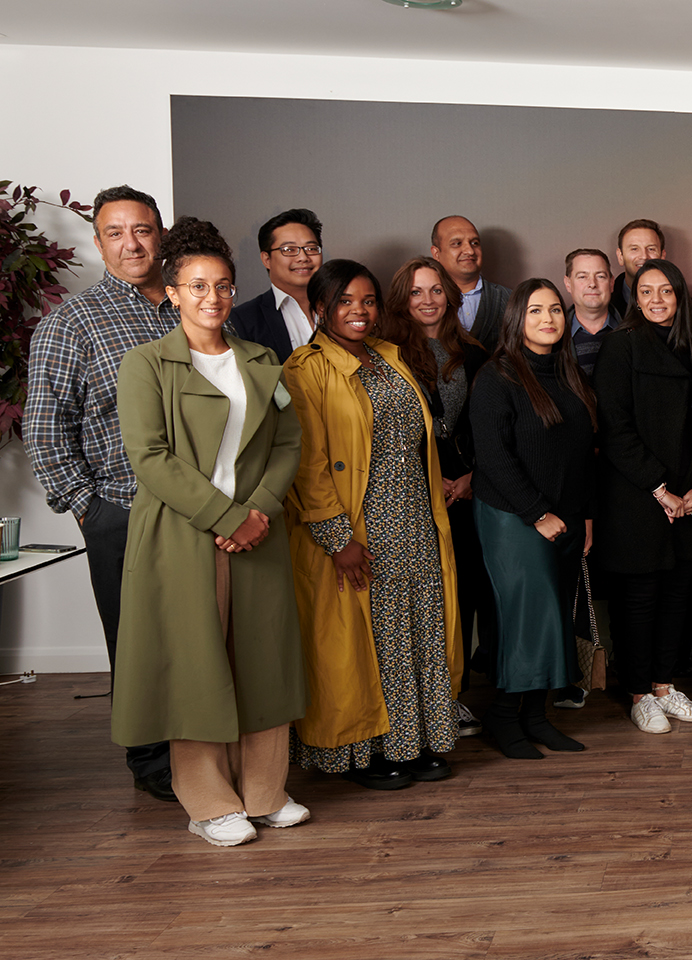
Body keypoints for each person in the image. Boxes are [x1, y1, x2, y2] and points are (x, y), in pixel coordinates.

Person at [112, 218, 306, 846]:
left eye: (222, 286)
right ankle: (206, 803)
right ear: (172, 292)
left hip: (258, 528)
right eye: (197, 287)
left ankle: (265, 791)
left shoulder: (260, 360)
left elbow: (287, 442)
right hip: (180, 535)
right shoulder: (147, 364)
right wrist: (227, 517)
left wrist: (259, 511)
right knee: (192, 666)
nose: (213, 298)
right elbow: (150, 456)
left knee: (263, 663)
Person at [283, 259, 464, 787]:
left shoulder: (390, 356)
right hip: (357, 529)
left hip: (414, 519)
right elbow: (307, 463)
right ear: (319, 308)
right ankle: (365, 755)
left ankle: (415, 742)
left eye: (367, 301)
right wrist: (337, 538)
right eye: (344, 302)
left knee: (417, 634)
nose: (359, 312)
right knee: (366, 644)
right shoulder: (304, 369)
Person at [24, 184, 177, 801]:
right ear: (98, 243)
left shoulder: (190, 304)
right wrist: (89, 510)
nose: (131, 243)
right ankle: (152, 761)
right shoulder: (73, 320)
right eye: (115, 233)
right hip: (124, 508)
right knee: (137, 640)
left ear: (160, 234)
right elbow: (44, 426)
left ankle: (204, 750)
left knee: (197, 636)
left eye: (141, 229)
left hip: (202, 508)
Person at [468, 279, 598, 759]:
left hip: (563, 518)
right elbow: (494, 458)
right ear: (516, 319)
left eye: (554, 311)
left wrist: (581, 516)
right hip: (513, 517)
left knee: (554, 616)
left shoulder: (570, 376)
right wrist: (536, 512)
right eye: (536, 311)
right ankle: (503, 718)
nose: (548, 319)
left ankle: (536, 717)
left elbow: (582, 456)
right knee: (527, 619)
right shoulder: (496, 377)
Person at [593, 258, 692, 735]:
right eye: (646, 292)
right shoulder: (620, 347)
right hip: (637, 494)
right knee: (640, 597)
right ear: (634, 298)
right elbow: (615, 428)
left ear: (680, 296)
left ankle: (666, 686)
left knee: (678, 594)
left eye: (666, 291)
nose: (657, 300)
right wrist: (660, 488)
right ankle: (641, 692)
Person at [377, 256, 494, 737]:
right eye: (416, 292)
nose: (427, 300)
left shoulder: (476, 354)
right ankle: (430, 698)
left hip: (469, 490)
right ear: (402, 300)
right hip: (413, 492)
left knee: (466, 593)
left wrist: (469, 478)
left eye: (436, 290)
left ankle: (457, 694)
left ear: (450, 295)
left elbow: (489, 426)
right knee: (429, 598)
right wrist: (432, 481)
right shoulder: (386, 354)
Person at [228, 208, 322, 361]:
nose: (303, 257)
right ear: (266, 259)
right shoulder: (243, 319)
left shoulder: (344, 308)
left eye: (311, 248)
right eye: (289, 249)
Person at [431, 215, 512, 349]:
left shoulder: (510, 299)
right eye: (457, 243)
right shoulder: (421, 303)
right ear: (436, 253)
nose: (469, 251)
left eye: (475, 243)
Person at [562, 248, 617, 378]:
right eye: (582, 277)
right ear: (568, 284)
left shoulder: (633, 331)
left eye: (600, 276)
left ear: (611, 283)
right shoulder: (553, 337)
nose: (592, 284)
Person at [609, 218, 666, 320]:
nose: (644, 256)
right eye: (634, 249)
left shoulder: (688, 308)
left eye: (651, 249)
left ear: (662, 256)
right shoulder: (604, 306)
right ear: (620, 256)